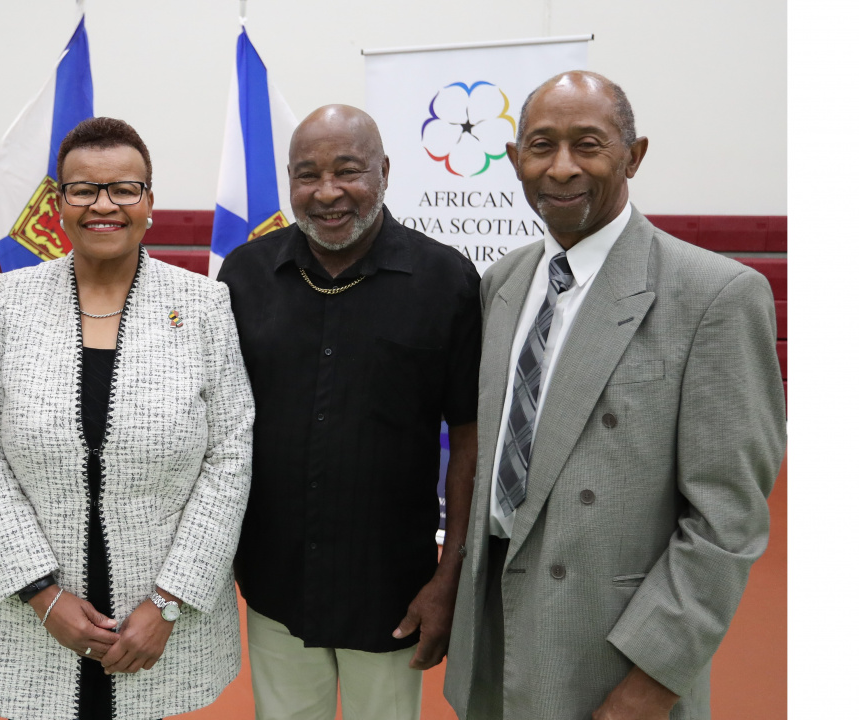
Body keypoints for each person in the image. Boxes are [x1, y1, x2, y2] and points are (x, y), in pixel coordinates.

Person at [442, 71, 787, 720]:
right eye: (541, 146)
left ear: (634, 154)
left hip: (612, 650)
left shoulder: (714, 295)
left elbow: (727, 517)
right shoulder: (503, 282)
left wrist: (654, 678)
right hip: (496, 635)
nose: (562, 167)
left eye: (589, 144)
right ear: (515, 161)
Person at [0, 116, 255, 720]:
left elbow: (230, 455)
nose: (104, 205)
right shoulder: (9, 301)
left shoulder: (204, 304)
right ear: (57, 204)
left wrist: (168, 602)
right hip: (35, 617)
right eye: (83, 189)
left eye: (124, 188)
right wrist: (42, 594)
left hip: (165, 624)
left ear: (149, 202)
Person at [217, 105, 481, 720]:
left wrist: (450, 578)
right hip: (274, 577)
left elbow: (470, 436)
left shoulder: (446, 280)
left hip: (391, 583)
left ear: (385, 171)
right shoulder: (244, 277)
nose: (327, 192)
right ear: (288, 181)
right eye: (307, 175)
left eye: (348, 171)